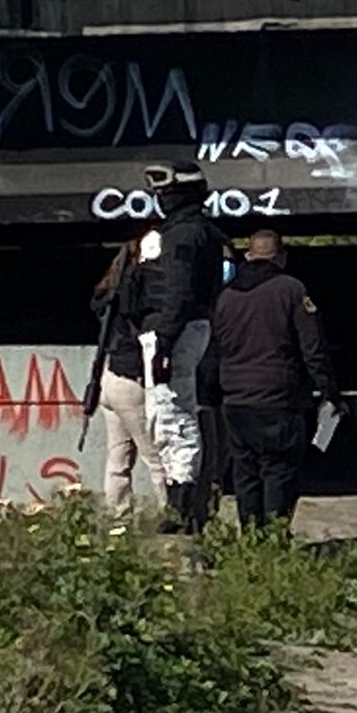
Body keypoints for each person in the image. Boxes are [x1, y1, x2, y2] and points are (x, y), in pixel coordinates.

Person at [212, 229, 344, 529]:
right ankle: (274, 542)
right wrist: (329, 392)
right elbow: (313, 348)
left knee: (245, 473)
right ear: (281, 257)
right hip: (278, 400)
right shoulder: (292, 290)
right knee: (279, 472)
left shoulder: (225, 296)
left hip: (235, 401)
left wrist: (210, 394)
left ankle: (250, 541)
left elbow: (214, 349)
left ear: (248, 256)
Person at [136, 161, 228, 532]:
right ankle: (182, 505)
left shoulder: (183, 236)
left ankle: (181, 509)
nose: (159, 200)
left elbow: (177, 291)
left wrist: (164, 343)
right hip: (181, 330)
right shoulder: (201, 232)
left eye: (164, 193)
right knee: (169, 417)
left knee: (172, 417)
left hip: (173, 332)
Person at [90, 236, 165, 515]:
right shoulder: (141, 292)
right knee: (156, 455)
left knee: (118, 457)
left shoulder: (110, 290)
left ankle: (116, 515)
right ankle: (170, 513)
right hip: (132, 379)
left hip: (109, 377)